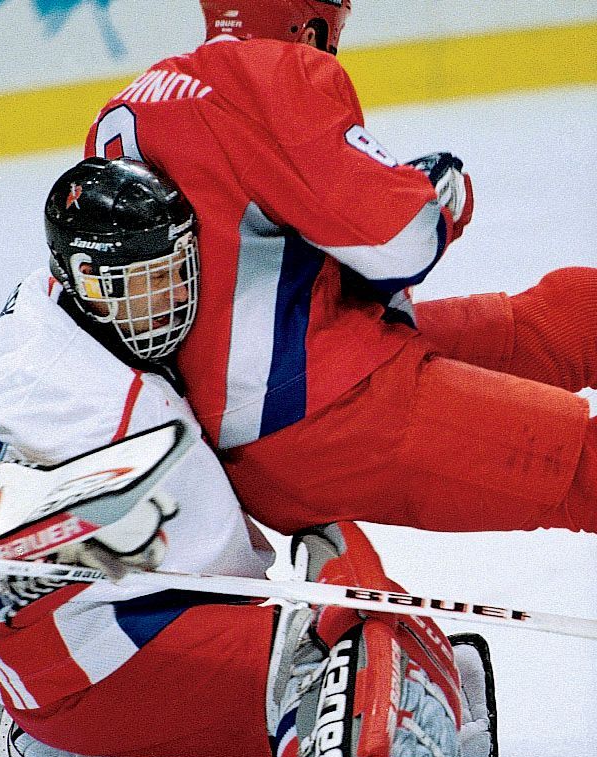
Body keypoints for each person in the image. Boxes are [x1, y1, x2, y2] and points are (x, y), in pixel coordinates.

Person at [0, 156, 526, 757]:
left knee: (364, 592)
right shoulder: (47, 390)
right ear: (85, 278)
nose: (172, 299)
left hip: (107, 641)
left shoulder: (64, 307)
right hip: (108, 656)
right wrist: (53, 533)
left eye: (177, 271)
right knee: (350, 644)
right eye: (144, 282)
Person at [84, 0, 596, 537]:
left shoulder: (131, 102)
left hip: (268, 407)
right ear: (308, 27)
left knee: (578, 310)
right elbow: (401, 244)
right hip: (320, 412)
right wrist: (439, 200)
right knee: (587, 468)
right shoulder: (274, 74)